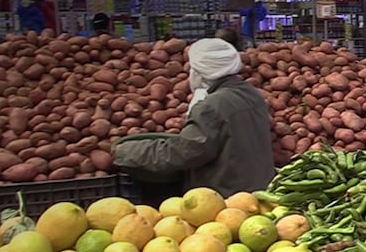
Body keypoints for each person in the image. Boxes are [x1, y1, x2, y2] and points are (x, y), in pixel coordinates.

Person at [113, 38, 275, 197]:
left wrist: (127, 152)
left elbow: (185, 152)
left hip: (226, 196)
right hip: (257, 189)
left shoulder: (211, 106)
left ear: (199, 72)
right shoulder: (252, 94)